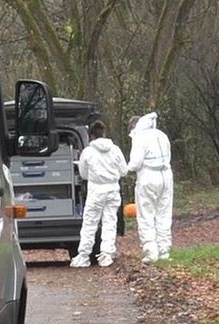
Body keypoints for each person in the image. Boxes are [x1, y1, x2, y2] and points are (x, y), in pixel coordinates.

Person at [69, 120, 127, 268]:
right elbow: (124, 171)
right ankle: (106, 255)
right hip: (113, 190)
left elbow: (83, 174)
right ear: (105, 132)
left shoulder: (88, 152)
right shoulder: (115, 150)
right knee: (110, 222)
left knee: (90, 223)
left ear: (91, 135)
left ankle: (84, 256)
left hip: (96, 191)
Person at [127, 112, 173, 262]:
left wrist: (125, 169)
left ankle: (150, 251)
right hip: (166, 176)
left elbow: (135, 163)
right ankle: (164, 250)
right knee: (164, 213)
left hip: (148, 177)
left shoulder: (140, 138)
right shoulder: (162, 135)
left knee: (146, 214)